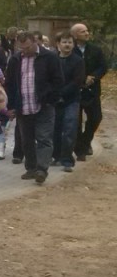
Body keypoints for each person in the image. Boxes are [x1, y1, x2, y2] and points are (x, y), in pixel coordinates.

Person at [5, 31, 62, 185]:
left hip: (43, 105)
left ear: (35, 42)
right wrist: (11, 106)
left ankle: (42, 169)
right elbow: (9, 83)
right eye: (21, 48)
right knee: (26, 139)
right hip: (23, 106)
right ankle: (31, 168)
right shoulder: (15, 60)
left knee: (44, 138)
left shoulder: (49, 57)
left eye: (28, 47)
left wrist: (51, 98)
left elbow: (58, 80)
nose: (24, 51)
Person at [72, 23, 107, 160]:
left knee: (96, 117)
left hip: (92, 90)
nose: (87, 33)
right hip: (75, 91)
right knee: (75, 121)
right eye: (82, 31)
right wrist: (81, 79)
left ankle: (85, 142)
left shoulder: (96, 50)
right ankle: (80, 150)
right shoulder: (70, 49)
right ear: (75, 35)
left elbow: (103, 67)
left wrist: (94, 77)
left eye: (87, 30)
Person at [53, 30, 85, 173]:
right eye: (64, 42)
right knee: (55, 129)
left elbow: (77, 81)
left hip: (72, 99)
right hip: (54, 100)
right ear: (58, 44)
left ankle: (67, 159)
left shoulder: (78, 60)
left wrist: (62, 92)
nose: (67, 45)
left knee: (69, 129)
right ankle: (56, 156)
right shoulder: (53, 59)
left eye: (70, 42)